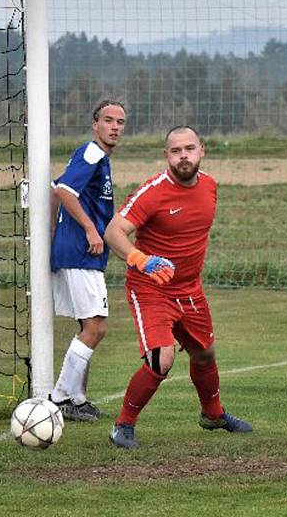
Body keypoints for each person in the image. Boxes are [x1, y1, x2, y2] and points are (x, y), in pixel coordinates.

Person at [104, 125, 252, 449]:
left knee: (204, 353)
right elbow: (114, 231)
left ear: (202, 150)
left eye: (189, 149)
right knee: (162, 358)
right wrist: (139, 258)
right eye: (175, 151)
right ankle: (123, 426)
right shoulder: (153, 192)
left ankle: (213, 416)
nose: (183, 156)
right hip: (151, 287)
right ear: (166, 156)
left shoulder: (210, 187)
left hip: (189, 288)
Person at [49, 99, 126, 421]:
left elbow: (56, 187)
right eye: (108, 120)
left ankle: (77, 399)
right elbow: (65, 191)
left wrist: (53, 232)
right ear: (95, 124)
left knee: (87, 325)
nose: (115, 127)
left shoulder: (97, 158)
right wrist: (90, 230)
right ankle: (57, 400)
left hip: (77, 251)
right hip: (82, 252)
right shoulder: (92, 152)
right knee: (96, 327)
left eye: (120, 122)